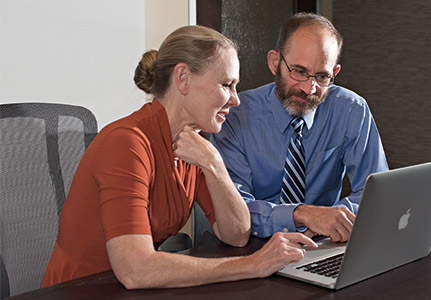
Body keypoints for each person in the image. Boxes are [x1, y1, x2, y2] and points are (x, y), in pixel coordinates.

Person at [42, 25, 316, 289]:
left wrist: (214, 165)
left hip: (131, 288)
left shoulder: (193, 145)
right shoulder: (126, 143)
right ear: (183, 78)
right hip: (81, 291)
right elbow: (135, 269)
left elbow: (236, 234)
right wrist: (252, 265)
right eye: (226, 85)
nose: (236, 99)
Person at [211, 13, 388, 243]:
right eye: (299, 71)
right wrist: (301, 215)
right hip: (253, 245)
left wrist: (337, 218)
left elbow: (374, 192)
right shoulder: (233, 117)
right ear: (275, 63)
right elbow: (234, 211)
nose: (309, 88)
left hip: (323, 243)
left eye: (322, 76)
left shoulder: (351, 110)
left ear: (334, 73)